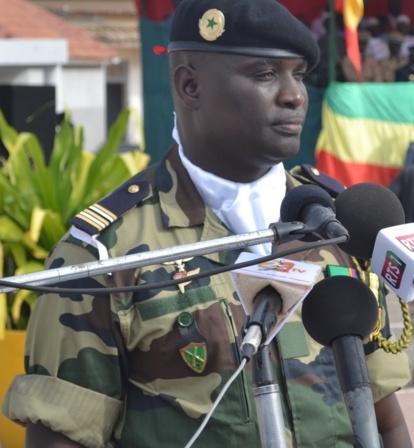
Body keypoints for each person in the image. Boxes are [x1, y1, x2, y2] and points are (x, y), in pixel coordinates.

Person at [2, 1, 412, 447]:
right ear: (189, 85)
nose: (294, 95)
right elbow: (58, 438)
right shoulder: (102, 256)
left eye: (299, 74)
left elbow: (383, 420)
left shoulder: (335, 223)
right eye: (264, 74)